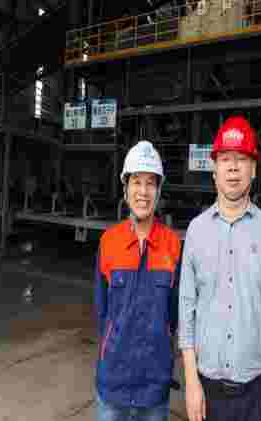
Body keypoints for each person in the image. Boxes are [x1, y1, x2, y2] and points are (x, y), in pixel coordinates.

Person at [178, 116, 261, 421]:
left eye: (242, 159)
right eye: (225, 159)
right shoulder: (195, 232)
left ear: (254, 169)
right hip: (207, 387)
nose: (233, 167)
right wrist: (191, 382)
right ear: (214, 169)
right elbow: (186, 312)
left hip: (258, 389)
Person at [94, 140, 181, 421]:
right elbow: (102, 311)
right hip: (113, 386)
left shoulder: (173, 246)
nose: (143, 191)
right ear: (125, 189)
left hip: (154, 388)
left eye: (150, 183)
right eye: (136, 182)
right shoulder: (108, 242)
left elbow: (174, 315)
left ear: (159, 191)